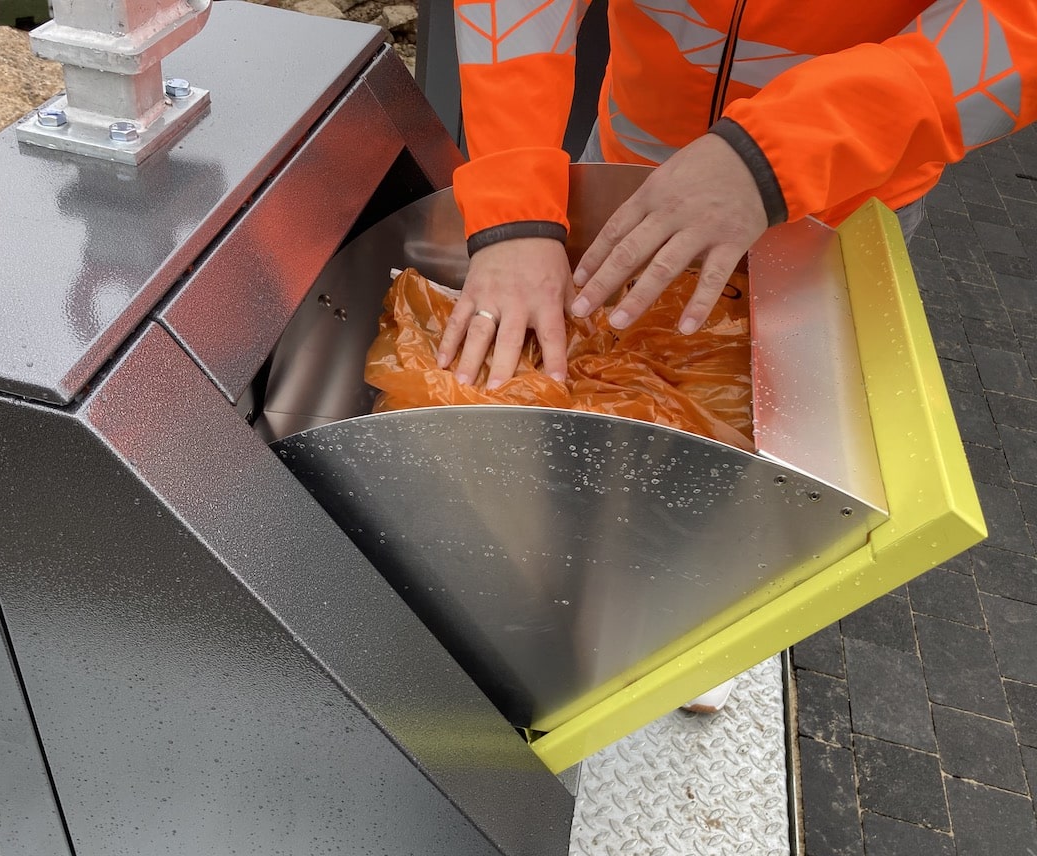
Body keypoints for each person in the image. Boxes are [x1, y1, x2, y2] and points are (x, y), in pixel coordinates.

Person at [439, 0, 1037, 711]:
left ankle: (696, 610)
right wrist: (513, 205)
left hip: (833, 201)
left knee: (757, 443)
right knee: (586, 397)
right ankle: (575, 573)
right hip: (631, 166)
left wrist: (779, 156)